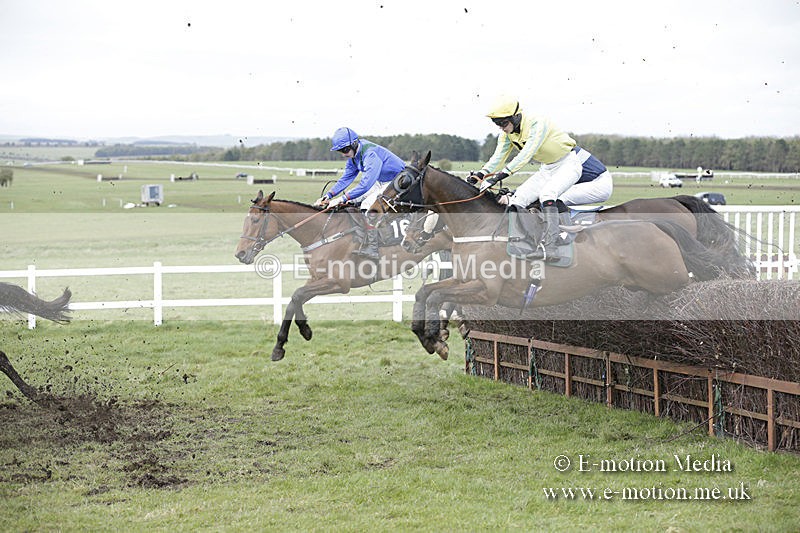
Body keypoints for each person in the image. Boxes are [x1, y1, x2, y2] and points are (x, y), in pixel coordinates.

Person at [467, 96, 613, 262]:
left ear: (515, 117)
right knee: (517, 200)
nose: (501, 128)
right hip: (547, 168)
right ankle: (524, 243)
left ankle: (554, 246)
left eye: (503, 123)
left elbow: (526, 153)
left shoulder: (537, 123)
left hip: (568, 164)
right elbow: (498, 156)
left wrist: (502, 175)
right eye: (497, 124)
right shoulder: (507, 135)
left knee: (547, 195)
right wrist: (481, 173)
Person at [313, 127, 406, 260]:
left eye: (345, 150)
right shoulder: (354, 156)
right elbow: (346, 178)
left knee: (368, 203)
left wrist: (341, 198)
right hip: (381, 181)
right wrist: (328, 196)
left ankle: (373, 248)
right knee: (353, 201)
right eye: (340, 151)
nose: (344, 154)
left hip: (397, 182)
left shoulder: (370, 154)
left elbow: (366, 185)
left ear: (354, 144)